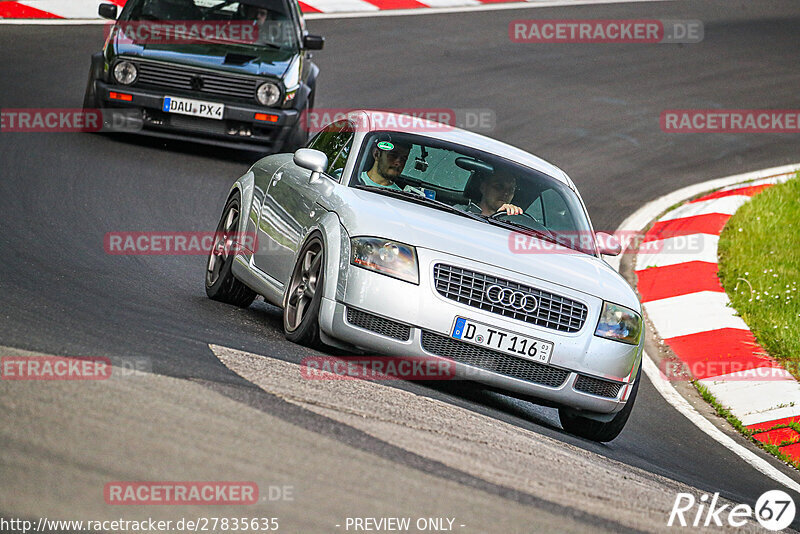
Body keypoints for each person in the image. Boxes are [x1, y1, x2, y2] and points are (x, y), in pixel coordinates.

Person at [458, 172, 523, 216]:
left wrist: (507, 216)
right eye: (499, 187)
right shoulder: (460, 212)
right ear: (483, 188)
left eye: (511, 190)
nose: (506, 193)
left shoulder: (512, 224)